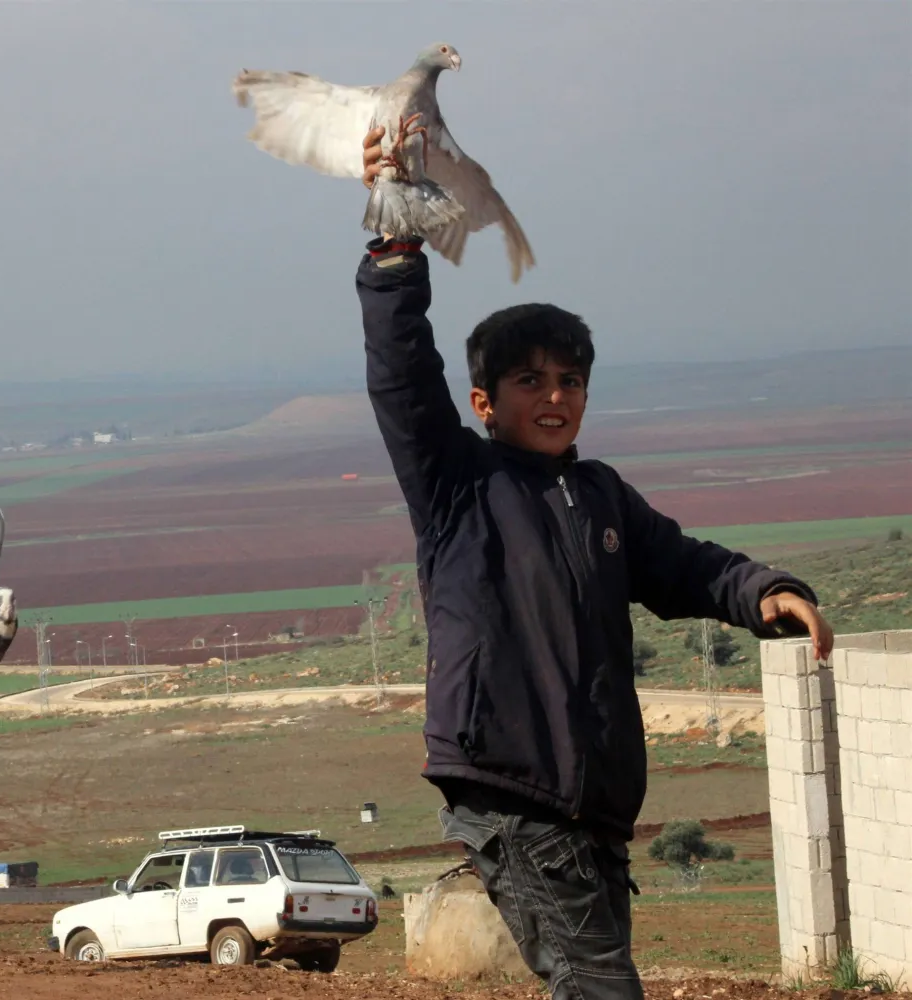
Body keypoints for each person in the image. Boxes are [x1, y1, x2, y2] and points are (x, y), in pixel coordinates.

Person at [354, 128, 833, 1000]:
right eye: (530, 382)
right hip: (514, 791)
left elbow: (687, 565)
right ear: (484, 401)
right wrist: (394, 248)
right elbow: (400, 375)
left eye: (571, 381)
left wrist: (767, 591)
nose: (556, 397)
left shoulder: (601, 497)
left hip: (595, 808)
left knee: (592, 983)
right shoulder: (457, 483)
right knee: (602, 987)